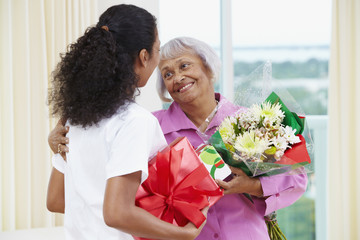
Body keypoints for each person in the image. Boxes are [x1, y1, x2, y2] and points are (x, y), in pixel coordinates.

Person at [50, 37, 308, 239]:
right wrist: (59, 139)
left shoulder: (251, 120)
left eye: (184, 65)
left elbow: (296, 178)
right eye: (167, 74)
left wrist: (249, 185)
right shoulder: (148, 126)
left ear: (207, 67)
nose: (177, 78)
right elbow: (106, 166)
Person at [46, 5, 207, 240]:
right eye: (157, 49)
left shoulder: (74, 118)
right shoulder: (134, 121)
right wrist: (183, 234)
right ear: (144, 57)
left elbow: (56, 200)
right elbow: (116, 213)